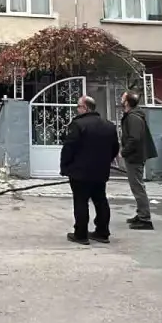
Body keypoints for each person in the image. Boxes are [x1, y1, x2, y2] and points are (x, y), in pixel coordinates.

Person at [60, 96, 120, 245]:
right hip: (101, 170)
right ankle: (102, 232)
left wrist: (65, 166)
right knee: (100, 200)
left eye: (78, 107)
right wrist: (106, 161)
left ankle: (80, 234)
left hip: (80, 171)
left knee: (81, 201)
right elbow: (115, 148)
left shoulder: (78, 124)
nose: (77, 109)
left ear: (85, 108)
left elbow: (69, 147)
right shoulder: (109, 125)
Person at [119, 91, 158, 230]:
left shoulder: (133, 118)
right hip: (135, 156)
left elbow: (134, 138)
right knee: (137, 186)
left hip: (134, 157)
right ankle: (141, 213)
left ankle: (145, 219)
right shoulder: (133, 116)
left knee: (138, 187)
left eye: (123, 98)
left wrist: (124, 152)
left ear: (127, 102)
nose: (121, 99)